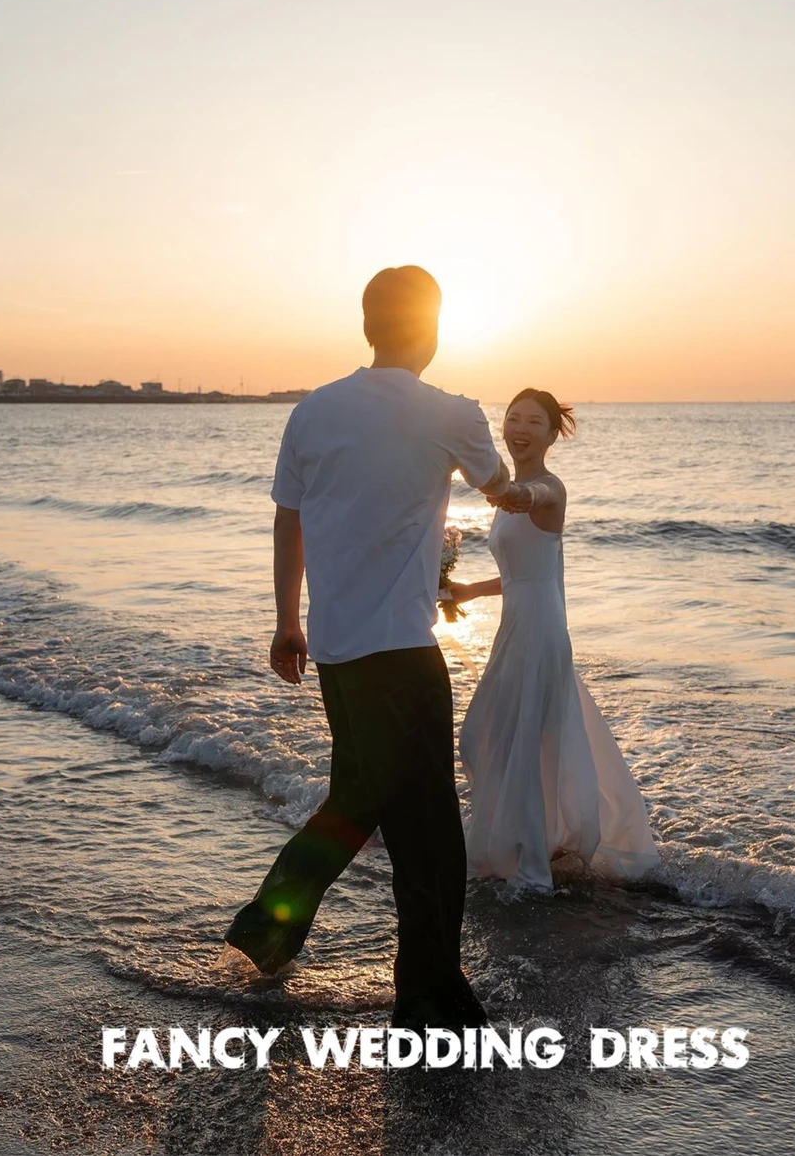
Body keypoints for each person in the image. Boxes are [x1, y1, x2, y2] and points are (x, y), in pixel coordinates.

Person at [224, 266, 529, 1032]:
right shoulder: (450, 412)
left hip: (337, 651)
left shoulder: (312, 411)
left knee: (361, 797)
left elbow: (287, 521)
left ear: (368, 327)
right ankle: (427, 994)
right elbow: (503, 490)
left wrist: (286, 620)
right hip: (400, 653)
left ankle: (268, 926)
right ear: (430, 331)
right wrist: (542, 494)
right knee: (429, 830)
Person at [448, 389, 660, 892]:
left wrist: (505, 489)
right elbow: (525, 573)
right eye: (513, 418)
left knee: (503, 738)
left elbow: (530, 499)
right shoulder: (510, 490)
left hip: (538, 633)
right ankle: (532, 843)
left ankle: (528, 866)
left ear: (550, 434)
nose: (520, 428)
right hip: (519, 626)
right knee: (501, 737)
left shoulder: (548, 489)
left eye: (534, 422)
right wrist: (467, 589)